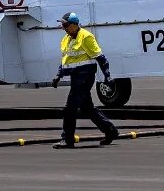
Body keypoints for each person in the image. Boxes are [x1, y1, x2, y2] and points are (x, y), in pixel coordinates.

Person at [51, 12, 119, 149]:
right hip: (75, 77)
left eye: (65, 25)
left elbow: (101, 58)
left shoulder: (86, 37)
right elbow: (66, 60)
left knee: (70, 108)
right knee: (87, 108)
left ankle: (67, 139)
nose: (63, 27)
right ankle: (110, 131)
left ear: (74, 25)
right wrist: (58, 75)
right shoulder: (66, 40)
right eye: (62, 25)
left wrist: (107, 76)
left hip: (85, 76)